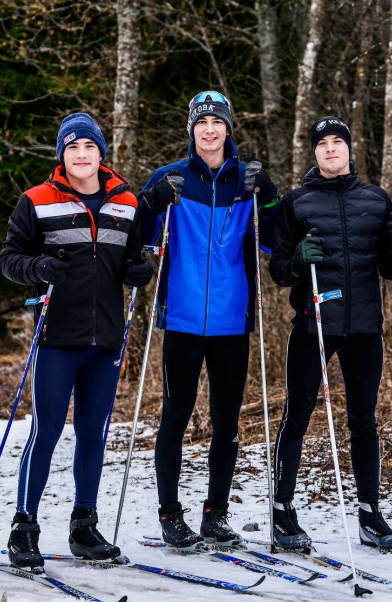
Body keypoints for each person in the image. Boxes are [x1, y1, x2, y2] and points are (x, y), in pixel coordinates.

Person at [0, 112, 153, 570]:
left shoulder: (127, 201)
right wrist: (37, 269)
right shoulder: (37, 200)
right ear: (61, 155)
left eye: (89, 147)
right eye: (72, 148)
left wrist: (136, 270)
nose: (81, 155)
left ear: (101, 153)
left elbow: (133, 256)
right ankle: (23, 528)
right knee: (45, 431)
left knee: (93, 433)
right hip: (57, 337)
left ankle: (84, 525)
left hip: (105, 338)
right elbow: (10, 259)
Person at [267, 116, 392, 552]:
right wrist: (297, 260)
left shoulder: (375, 199)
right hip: (314, 325)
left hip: (365, 328)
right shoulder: (297, 203)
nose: (331, 149)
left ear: (350, 149)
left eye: (338, 142)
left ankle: (371, 515)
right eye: (323, 143)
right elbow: (278, 269)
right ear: (313, 152)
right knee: (297, 415)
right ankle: (281, 512)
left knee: (364, 421)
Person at [138, 91, 280, 549]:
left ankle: (215, 515)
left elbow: (275, 244)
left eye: (217, 121)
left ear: (228, 128)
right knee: (175, 418)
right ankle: (170, 514)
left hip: (231, 323)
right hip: (180, 319)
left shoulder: (248, 180)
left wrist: (272, 196)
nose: (210, 129)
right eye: (201, 122)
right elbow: (138, 236)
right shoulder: (171, 179)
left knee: (226, 421)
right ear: (191, 130)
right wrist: (151, 202)